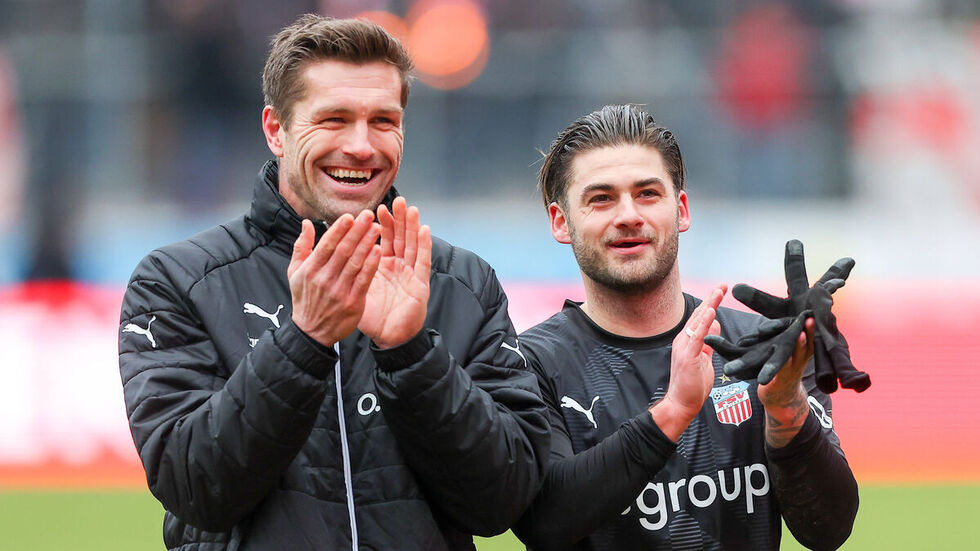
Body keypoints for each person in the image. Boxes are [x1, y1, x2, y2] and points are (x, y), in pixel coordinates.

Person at [117, 14, 549, 551]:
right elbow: (195, 489)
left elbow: (503, 502)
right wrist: (304, 342)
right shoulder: (178, 282)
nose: (362, 146)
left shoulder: (464, 283)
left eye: (383, 120)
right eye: (334, 119)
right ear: (275, 130)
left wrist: (412, 355)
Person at [511, 104, 858, 550]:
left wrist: (787, 407)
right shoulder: (529, 365)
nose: (628, 215)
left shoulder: (762, 350)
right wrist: (674, 410)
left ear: (682, 210)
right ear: (562, 222)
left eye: (647, 194)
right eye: (601, 198)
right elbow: (545, 521)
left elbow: (828, 530)